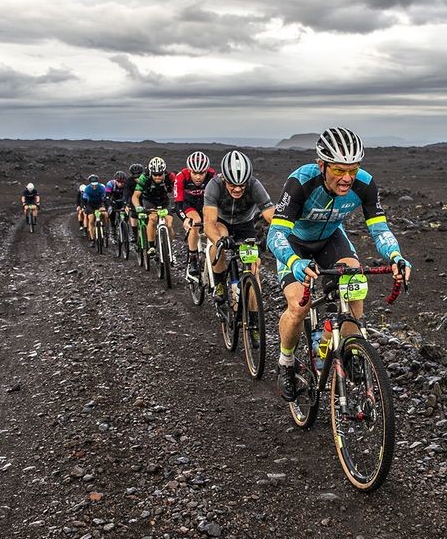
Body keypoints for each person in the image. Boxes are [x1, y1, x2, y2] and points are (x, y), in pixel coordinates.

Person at [266, 127, 411, 402]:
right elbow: (275, 234)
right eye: (338, 170)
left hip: (331, 238)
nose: (347, 178)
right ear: (321, 165)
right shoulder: (301, 182)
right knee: (299, 306)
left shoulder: (365, 184)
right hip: (295, 243)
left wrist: (396, 256)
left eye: (353, 169)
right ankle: (285, 361)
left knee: (354, 286)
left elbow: (380, 230)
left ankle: (345, 348)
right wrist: (294, 262)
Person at [203, 150, 274, 297]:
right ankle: (220, 284)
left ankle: (254, 317)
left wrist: (278, 234)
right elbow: (209, 223)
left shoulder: (254, 185)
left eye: (242, 185)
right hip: (221, 222)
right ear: (224, 179)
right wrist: (219, 241)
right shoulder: (214, 185)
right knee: (220, 242)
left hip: (245, 225)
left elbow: (271, 215)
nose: (237, 189)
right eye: (232, 184)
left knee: (254, 267)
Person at [173, 151, 215, 277]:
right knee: (195, 222)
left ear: (206, 171)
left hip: (206, 204)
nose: (198, 177)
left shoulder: (213, 177)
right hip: (188, 204)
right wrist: (185, 219)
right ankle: (192, 258)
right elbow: (178, 204)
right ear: (189, 170)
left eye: (201, 173)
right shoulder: (181, 177)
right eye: (194, 173)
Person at [132, 157, 174, 255]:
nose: (157, 177)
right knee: (152, 218)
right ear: (150, 173)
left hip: (164, 200)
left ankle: (169, 248)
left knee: (169, 223)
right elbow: (136, 195)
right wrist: (138, 206)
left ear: (164, 172)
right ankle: (151, 247)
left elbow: (176, 192)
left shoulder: (170, 176)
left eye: (160, 174)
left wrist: (177, 205)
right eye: (155, 175)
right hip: (149, 200)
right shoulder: (144, 177)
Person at [80, 174, 107, 244]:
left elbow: (105, 198)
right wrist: (84, 207)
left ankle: (104, 228)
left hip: (99, 204)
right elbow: (84, 200)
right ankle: (92, 239)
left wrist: (105, 206)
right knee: (91, 219)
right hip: (90, 205)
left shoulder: (101, 188)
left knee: (105, 214)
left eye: (96, 185)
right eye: (93, 185)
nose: (94, 186)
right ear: (90, 184)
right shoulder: (87, 189)